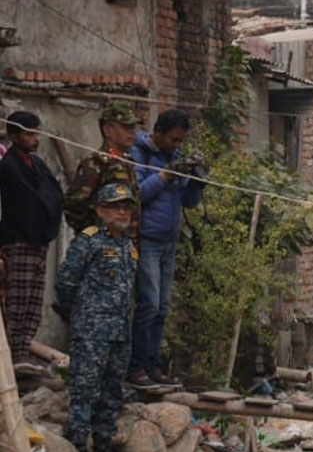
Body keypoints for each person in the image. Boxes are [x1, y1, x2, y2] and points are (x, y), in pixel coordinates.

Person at [57, 183, 139, 452]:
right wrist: (79, 317)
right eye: (116, 206)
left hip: (119, 335)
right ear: (100, 210)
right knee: (85, 393)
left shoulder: (128, 247)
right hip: (91, 333)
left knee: (111, 395)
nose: (122, 212)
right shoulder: (88, 242)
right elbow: (65, 283)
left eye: (126, 207)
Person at [128, 109, 206, 388]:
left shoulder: (173, 157)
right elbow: (136, 195)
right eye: (173, 139)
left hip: (169, 241)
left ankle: (153, 366)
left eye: (180, 141)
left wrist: (197, 181)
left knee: (162, 308)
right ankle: (136, 368)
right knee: (148, 304)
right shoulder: (138, 155)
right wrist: (164, 176)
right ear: (158, 133)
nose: (176, 146)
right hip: (146, 239)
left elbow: (189, 203)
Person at [0, 112, 63, 376]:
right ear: (14, 136)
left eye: (37, 134)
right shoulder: (8, 166)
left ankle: (25, 348)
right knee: (18, 298)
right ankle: (14, 352)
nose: (35, 139)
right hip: (18, 239)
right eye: (29, 134)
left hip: (38, 241)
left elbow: (52, 194)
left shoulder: (36, 164)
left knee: (33, 301)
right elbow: (26, 202)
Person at [64, 101, 140, 233]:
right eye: (126, 127)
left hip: (125, 241)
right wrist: (93, 233)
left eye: (133, 128)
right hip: (101, 243)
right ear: (108, 129)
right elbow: (73, 206)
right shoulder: (96, 164)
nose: (132, 132)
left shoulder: (127, 163)